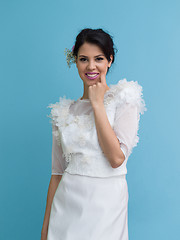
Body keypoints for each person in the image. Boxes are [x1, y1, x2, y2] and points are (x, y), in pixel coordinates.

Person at [41, 28, 147, 240]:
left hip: (106, 206)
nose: (91, 66)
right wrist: (45, 229)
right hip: (66, 206)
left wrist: (97, 103)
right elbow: (57, 174)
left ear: (110, 59)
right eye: (83, 59)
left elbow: (117, 158)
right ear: (76, 62)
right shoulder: (63, 112)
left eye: (98, 58)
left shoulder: (124, 100)